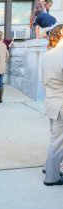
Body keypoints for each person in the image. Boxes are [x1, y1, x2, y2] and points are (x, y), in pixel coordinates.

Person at [41, 24, 63, 186]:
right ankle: (52, 176)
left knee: (55, 140)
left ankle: (48, 167)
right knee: (58, 143)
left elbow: (44, 80)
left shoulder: (47, 55)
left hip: (51, 102)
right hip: (61, 103)